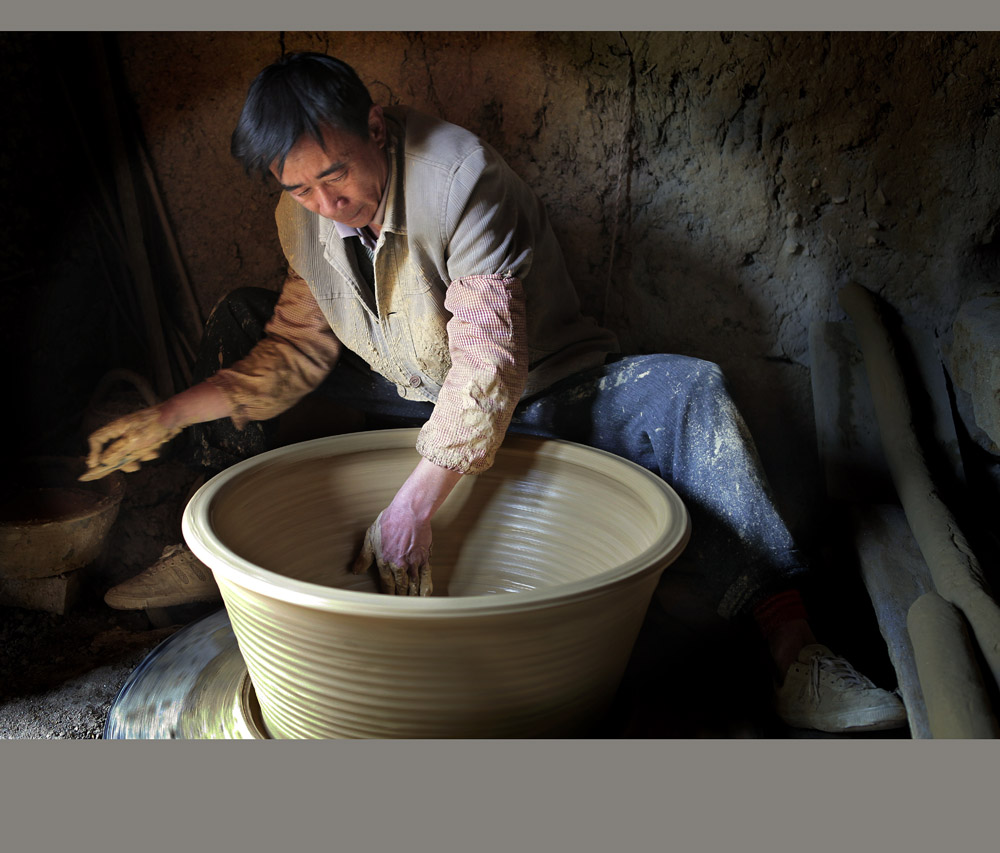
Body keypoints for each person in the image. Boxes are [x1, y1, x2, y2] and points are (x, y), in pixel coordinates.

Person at [83, 52, 907, 734]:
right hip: (408, 381)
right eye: (299, 188)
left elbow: (486, 363)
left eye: (335, 176)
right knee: (241, 317)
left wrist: (411, 507)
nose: (326, 204)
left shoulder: (462, 177)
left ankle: (794, 651)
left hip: (541, 380)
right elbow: (297, 347)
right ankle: (213, 564)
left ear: (374, 126)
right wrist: (171, 412)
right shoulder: (305, 220)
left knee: (689, 393)